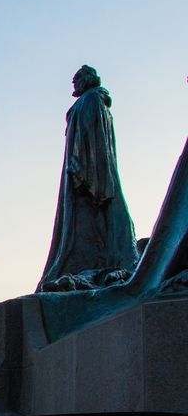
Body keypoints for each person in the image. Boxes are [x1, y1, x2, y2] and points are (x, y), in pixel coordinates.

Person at [40, 65, 138, 292]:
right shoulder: (87, 101)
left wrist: (82, 167)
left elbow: (92, 137)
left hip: (87, 170)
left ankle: (103, 264)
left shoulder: (92, 100)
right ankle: (86, 266)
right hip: (79, 168)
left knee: (94, 222)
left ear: (87, 79)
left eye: (76, 80)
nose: (73, 84)